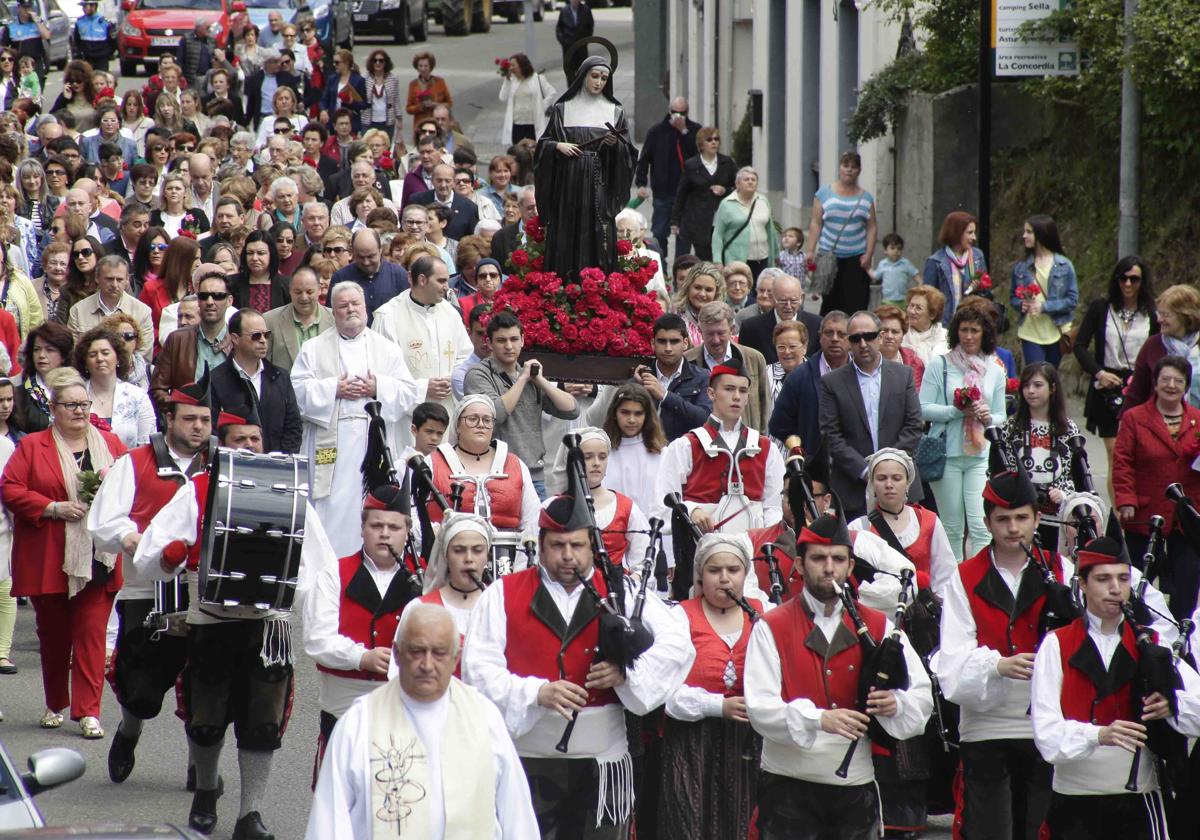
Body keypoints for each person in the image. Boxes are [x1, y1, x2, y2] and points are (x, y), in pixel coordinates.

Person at [131, 405, 334, 839]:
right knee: (206, 720)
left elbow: (320, 567)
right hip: (211, 621)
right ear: (223, 445)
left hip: (267, 630)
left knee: (262, 723)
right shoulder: (199, 488)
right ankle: (205, 792)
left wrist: (297, 601)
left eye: (255, 440)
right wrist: (170, 557)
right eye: (240, 440)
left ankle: (250, 814)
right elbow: (151, 553)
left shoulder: (290, 492)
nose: (249, 447)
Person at [461, 492, 692, 840]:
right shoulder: (502, 594)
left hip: (602, 766)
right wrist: (535, 691)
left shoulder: (620, 590)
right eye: (557, 545)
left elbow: (678, 646)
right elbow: (477, 669)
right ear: (539, 545)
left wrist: (627, 672)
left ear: (591, 546)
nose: (568, 556)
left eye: (577, 545)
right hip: (527, 761)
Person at [744, 512, 932, 840]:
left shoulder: (879, 626)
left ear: (849, 565)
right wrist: (819, 720)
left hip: (854, 790)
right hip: (787, 790)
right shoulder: (770, 627)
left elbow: (921, 695)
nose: (829, 567)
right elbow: (759, 707)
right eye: (818, 558)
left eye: (838, 559)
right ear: (800, 566)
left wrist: (895, 704)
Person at [308, 602, 539, 839]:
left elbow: (516, 814)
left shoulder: (485, 717)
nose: (427, 665)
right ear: (397, 653)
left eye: (439, 653)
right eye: (417, 651)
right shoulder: (359, 723)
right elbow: (330, 820)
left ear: (456, 657)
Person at [1029, 536, 1200, 839]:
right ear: (1081, 584)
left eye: (1122, 578)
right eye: (1103, 579)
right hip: (1072, 802)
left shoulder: (1152, 645)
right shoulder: (1057, 645)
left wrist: (1173, 705)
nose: (1115, 588)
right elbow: (1046, 733)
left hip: (1138, 802)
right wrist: (1099, 734)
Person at [86, 378, 213, 785]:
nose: (198, 427)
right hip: (147, 589)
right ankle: (129, 731)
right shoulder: (136, 462)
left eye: (206, 420)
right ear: (169, 419)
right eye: (190, 418)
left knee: (204, 686)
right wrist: (129, 537)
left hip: (205, 596)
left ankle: (200, 763)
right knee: (141, 690)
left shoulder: (221, 467)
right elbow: (105, 519)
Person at [936, 469, 1066, 840]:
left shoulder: (1060, 570)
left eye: (1022, 518)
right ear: (987, 522)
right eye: (1003, 519)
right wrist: (997, 665)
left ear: (1038, 518)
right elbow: (952, 662)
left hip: (1045, 724)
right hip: (985, 727)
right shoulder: (964, 577)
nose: (1014, 528)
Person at [1, 366, 126, 738]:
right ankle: (56, 702)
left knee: (91, 633)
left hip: (98, 555)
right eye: (70, 405)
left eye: (84, 404)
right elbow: (10, 488)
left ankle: (88, 712)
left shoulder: (112, 444)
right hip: (50, 557)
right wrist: (52, 507)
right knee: (54, 636)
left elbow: (129, 490)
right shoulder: (32, 446)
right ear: (52, 408)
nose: (79, 411)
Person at [292, 281, 420, 558]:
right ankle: (328, 564)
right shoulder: (313, 349)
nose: (350, 310)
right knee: (330, 506)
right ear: (333, 311)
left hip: (372, 441)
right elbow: (297, 392)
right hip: (330, 445)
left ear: (366, 307)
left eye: (355, 304)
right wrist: (332, 389)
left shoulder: (387, 349)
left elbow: (409, 394)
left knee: (368, 503)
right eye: (343, 306)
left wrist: (378, 388)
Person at [302, 484, 420, 777]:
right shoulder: (334, 574)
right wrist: (361, 658)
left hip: (407, 708)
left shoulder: (424, 579)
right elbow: (318, 639)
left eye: (394, 527)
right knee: (337, 801)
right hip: (343, 708)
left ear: (407, 532)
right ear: (362, 529)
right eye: (376, 525)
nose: (384, 533)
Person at [660, 533, 767, 840]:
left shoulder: (764, 613)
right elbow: (666, 691)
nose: (724, 579)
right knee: (689, 824)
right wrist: (717, 706)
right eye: (714, 570)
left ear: (745, 574)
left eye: (733, 570)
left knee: (743, 824)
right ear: (700, 575)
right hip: (691, 742)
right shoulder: (679, 616)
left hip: (748, 742)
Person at [1113, 354, 1200, 619]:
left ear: (1186, 385)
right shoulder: (1134, 418)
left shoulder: (1197, 419)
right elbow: (1123, 461)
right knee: (1140, 581)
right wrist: (1125, 499)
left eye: (1178, 380)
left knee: (1187, 583)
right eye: (1166, 379)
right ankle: (1140, 632)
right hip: (1145, 513)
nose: (1171, 385)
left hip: (1187, 517)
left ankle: (1181, 637)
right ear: (1155, 382)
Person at [655, 358, 785, 534]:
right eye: (729, 389)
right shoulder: (685, 445)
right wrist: (691, 510)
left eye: (743, 390)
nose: (737, 396)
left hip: (752, 549)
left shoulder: (767, 448)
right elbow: (661, 507)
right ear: (711, 393)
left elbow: (774, 508)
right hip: (700, 547)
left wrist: (766, 543)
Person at [920, 304, 1007, 560]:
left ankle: (979, 580)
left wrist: (987, 415)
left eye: (974, 330)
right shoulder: (941, 365)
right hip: (945, 455)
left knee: (981, 526)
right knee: (952, 528)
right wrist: (956, 411)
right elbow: (923, 408)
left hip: (979, 456)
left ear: (984, 334)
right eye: (963, 330)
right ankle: (953, 584)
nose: (968, 336)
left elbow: (1001, 415)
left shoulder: (995, 368)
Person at [463, 310, 579, 498]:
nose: (509, 346)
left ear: (523, 340)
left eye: (514, 339)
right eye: (501, 341)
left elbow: (572, 410)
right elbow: (496, 414)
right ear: (489, 343)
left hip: (534, 477)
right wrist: (522, 379)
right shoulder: (478, 375)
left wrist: (540, 381)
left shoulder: (530, 375)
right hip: (495, 474)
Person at [819, 310, 924, 520]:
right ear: (849, 342)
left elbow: (913, 424)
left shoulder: (903, 375)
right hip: (852, 487)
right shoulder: (832, 382)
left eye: (869, 336)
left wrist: (888, 467)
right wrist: (866, 471)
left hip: (900, 484)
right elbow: (831, 434)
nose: (863, 344)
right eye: (856, 338)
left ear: (880, 337)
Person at [1074, 257, 1157, 495]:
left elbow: (1161, 349)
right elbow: (1080, 345)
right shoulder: (1101, 308)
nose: (1128, 284)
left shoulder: (1151, 312)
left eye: (1134, 279)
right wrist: (1099, 372)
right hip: (1107, 385)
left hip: (1140, 385)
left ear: (1143, 282)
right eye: (1123, 278)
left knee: (1139, 454)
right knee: (1114, 453)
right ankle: (1118, 514)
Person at [425, 394, 541, 556]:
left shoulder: (515, 464)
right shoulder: (432, 463)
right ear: (458, 425)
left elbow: (532, 517)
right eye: (473, 419)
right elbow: (413, 513)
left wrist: (524, 559)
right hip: (449, 555)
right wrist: (434, 531)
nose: (481, 425)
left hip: (508, 557)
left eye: (487, 420)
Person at [991, 362, 1079, 548]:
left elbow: (1075, 473)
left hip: (1055, 516)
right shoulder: (1011, 427)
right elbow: (999, 469)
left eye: (1038, 385)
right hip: (1020, 514)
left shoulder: (1067, 428)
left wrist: (1063, 493)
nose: (1030, 391)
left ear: (1052, 388)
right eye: (1026, 385)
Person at [848, 448, 956, 596]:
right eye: (881, 478)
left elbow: (946, 576)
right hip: (877, 613)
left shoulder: (929, 521)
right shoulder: (858, 528)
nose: (889, 484)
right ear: (872, 484)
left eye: (897, 478)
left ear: (907, 483)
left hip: (923, 614)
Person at [370, 254, 470, 414]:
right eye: (441, 281)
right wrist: (423, 388)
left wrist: (453, 378)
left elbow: (465, 355)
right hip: (408, 416)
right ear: (422, 280)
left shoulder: (450, 312)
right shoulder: (388, 316)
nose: (447, 287)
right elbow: (381, 373)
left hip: (447, 409)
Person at [209, 308, 302, 454]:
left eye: (266, 335)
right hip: (232, 467)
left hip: (275, 468)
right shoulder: (215, 380)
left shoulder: (280, 377)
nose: (263, 340)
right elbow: (212, 429)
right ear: (235, 338)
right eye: (256, 336)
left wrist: (282, 462)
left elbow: (293, 426)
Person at [805, 151, 878, 317]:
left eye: (854, 167)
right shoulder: (824, 193)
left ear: (859, 170)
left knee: (857, 303)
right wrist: (810, 250)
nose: (849, 170)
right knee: (831, 303)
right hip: (830, 256)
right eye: (846, 166)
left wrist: (869, 254)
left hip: (856, 257)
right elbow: (816, 223)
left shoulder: (866, 197)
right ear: (840, 168)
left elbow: (872, 227)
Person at [150, 271, 233, 414]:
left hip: (228, 426)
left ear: (229, 300)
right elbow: (157, 389)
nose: (210, 302)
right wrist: (179, 409)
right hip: (187, 424)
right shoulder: (177, 339)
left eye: (218, 296)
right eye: (203, 296)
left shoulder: (238, 341)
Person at [768, 310, 850, 455]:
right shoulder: (800, 376)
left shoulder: (862, 374)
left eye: (842, 334)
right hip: (814, 466)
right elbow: (778, 425)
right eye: (829, 333)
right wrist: (800, 448)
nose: (835, 339)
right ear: (820, 336)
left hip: (855, 464)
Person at [683, 301, 771, 432]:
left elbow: (765, 406)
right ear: (700, 330)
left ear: (732, 329)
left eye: (721, 333)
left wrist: (761, 440)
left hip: (746, 441)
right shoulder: (687, 361)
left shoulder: (754, 359)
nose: (716, 340)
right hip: (701, 442)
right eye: (710, 333)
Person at [1009, 215, 1080, 367]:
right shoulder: (1020, 267)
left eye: (1029, 232)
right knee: (1036, 375)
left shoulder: (1064, 265)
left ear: (1041, 234)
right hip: (1030, 332)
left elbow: (1072, 300)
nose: (1024, 236)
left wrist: (1043, 307)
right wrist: (1020, 304)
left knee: (1050, 378)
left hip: (1056, 330)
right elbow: (1013, 298)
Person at [631, 313, 711, 443]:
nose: (668, 348)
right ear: (653, 343)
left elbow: (705, 420)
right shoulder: (640, 377)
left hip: (685, 455)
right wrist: (637, 388)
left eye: (674, 342)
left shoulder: (703, 377)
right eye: (662, 341)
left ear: (685, 343)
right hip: (644, 453)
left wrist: (666, 396)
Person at [634, 98, 700, 254]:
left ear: (687, 113)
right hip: (663, 192)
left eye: (682, 113)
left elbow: (699, 156)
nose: (678, 116)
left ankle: (680, 271)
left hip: (687, 194)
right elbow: (644, 160)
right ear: (669, 111)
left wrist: (684, 132)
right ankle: (661, 269)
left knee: (684, 236)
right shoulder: (657, 132)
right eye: (675, 112)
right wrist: (641, 183)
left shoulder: (695, 131)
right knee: (659, 233)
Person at [73, 327, 154, 449]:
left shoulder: (138, 396)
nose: (100, 359)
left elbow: (147, 444)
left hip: (130, 465)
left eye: (105, 353)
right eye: (92, 354)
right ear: (85, 363)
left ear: (118, 359)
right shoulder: (73, 396)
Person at [1124, 283, 1200, 409]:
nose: (1159, 320)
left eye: (1166, 315)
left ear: (1185, 316)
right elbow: (1136, 394)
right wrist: (1124, 421)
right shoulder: (1153, 344)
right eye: (1159, 314)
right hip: (1156, 423)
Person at [67, 256, 154, 361]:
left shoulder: (142, 311)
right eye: (109, 279)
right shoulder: (78, 311)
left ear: (127, 280)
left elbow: (144, 355)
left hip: (131, 375)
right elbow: (74, 353)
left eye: (120, 279)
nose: (114, 284)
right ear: (97, 278)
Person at [670, 125, 736, 262]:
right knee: (700, 258)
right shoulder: (691, 165)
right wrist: (675, 221)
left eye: (716, 139)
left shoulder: (727, 163)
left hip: (720, 218)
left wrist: (725, 190)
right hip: (696, 219)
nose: (714, 142)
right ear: (701, 144)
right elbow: (681, 194)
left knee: (717, 258)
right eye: (709, 139)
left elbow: (737, 188)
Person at [738, 271, 822, 363]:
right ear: (773, 298)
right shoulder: (751, 328)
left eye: (794, 301)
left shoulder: (816, 324)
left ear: (801, 298)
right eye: (783, 301)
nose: (788, 306)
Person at [262, 266, 334, 373]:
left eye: (309, 292)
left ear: (319, 290)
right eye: (298, 292)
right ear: (290, 291)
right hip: (285, 387)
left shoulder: (335, 319)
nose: (304, 297)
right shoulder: (270, 320)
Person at [711, 166, 779, 278]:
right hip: (737, 259)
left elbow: (770, 229)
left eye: (753, 180)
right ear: (737, 184)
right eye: (746, 179)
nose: (750, 182)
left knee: (762, 292)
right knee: (743, 293)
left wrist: (776, 253)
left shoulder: (763, 201)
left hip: (763, 258)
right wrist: (717, 260)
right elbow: (718, 234)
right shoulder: (727, 204)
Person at [922, 211, 987, 327]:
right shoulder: (936, 262)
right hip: (944, 327)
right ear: (957, 233)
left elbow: (986, 291)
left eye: (974, 232)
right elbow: (927, 299)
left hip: (971, 324)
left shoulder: (977, 257)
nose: (974, 237)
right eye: (970, 233)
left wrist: (980, 287)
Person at [330, 229, 410, 323]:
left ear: (380, 250)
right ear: (353, 252)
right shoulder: (341, 278)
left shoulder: (399, 275)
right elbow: (332, 316)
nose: (366, 262)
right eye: (360, 257)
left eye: (371, 256)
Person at [12, 321, 73, 434]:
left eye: (49, 350)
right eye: (36, 350)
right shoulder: (19, 391)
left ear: (63, 356)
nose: (41, 355)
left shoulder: (76, 387)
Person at [498, 52, 555, 145]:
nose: (511, 68)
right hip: (516, 124)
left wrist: (542, 106)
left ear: (522, 65)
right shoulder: (512, 81)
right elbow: (502, 97)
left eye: (513, 65)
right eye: (510, 65)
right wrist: (507, 80)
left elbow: (551, 93)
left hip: (533, 123)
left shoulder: (537, 78)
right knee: (518, 152)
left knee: (533, 150)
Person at [672, 261, 724, 348]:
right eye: (697, 288)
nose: (702, 294)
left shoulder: (725, 318)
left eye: (708, 290)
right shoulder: (674, 317)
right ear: (688, 287)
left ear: (717, 293)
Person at [875, 303, 926, 391]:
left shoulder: (914, 362)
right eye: (884, 331)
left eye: (895, 332)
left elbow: (916, 398)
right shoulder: (865, 359)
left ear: (903, 334)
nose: (889, 336)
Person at [901, 285, 950, 366]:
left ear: (932, 314)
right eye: (911, 305)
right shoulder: (900, 334)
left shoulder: (946, 338)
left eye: (918, 308)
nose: (912, 311)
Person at [871, 232, 919, 307]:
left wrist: (918, 293)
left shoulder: (905, 263)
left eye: (899, 248)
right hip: (887, 301)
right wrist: (867, 268)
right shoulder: (883, 264)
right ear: (885, 251)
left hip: (903, 301)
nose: (896, 251)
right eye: (892, 248)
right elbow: (876, 276)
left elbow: (918, 277)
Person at [766, 320, 808, 403]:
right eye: (781, 347)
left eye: (792, 346)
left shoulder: (818, 374)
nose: (787, 352)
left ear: (804, 348)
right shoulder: (765, 374)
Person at [555, 0, 595, 82]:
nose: (575, 1)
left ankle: (581, 89)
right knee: (569, 70)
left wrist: (586, 40)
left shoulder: (585, 10)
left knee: (582, 69)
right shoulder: (564, 11)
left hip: (581, 45)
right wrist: (563, 41)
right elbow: (559, 28)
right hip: (568, 46)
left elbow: (590, 26)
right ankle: (571, 90)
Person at [70, 0, 116, 72]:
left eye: (85, 6)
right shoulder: (79, 22)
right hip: (86, 58)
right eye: (83, 7)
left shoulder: (105, 22)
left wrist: (108, 54)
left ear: (93, 6)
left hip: (101, 58)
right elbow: (76, 41)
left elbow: (113, 41)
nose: (83, 9)